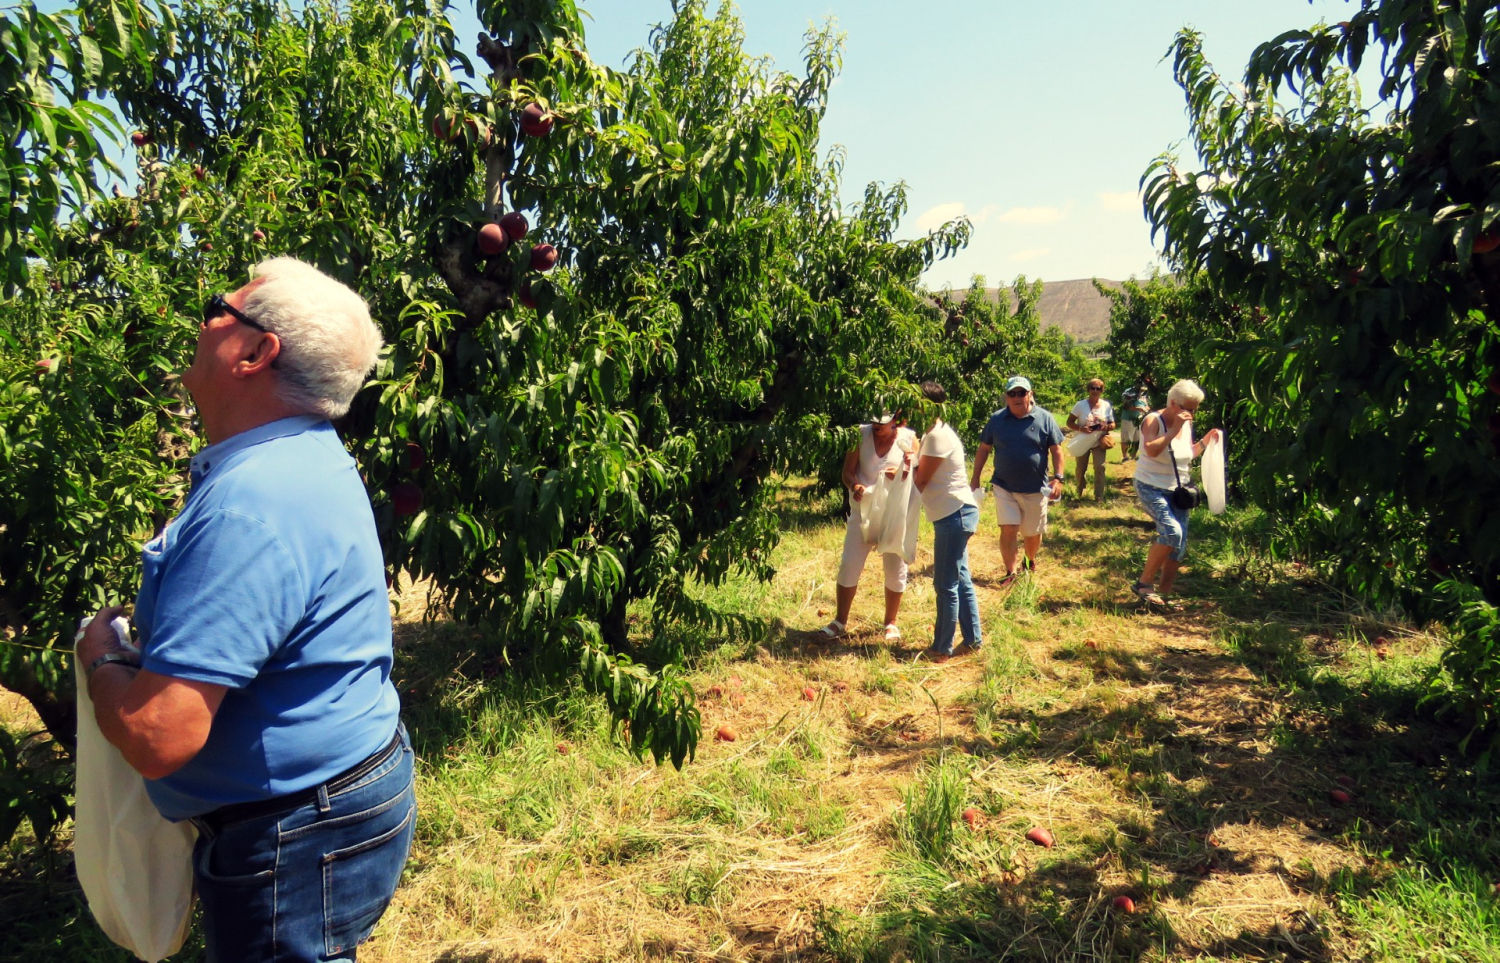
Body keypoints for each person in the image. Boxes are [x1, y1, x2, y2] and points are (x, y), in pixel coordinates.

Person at [75, 257, 415, 963]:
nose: (199, 325)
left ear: (258, 351)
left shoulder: (252, 501)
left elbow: (157, 735)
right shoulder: (303, 456)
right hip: (344, 791)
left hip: (297, 831)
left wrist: (101, 655)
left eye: (216, 310)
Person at [820, 413, 917, 642]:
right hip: (863, 509)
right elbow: (847, 472)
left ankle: (891, 623)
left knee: (895, 568)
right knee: (849, 564)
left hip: (894, 513)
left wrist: (904, 471)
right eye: (874, 422)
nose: (876, 426)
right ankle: (839, 621)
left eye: (882, 423)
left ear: (896, 420)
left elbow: (918, 474)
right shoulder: (860, 435)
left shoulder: (909, 438)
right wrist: (854, 485)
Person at [1131, 378, 1223, 610]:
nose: (1191, 413)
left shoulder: (1186, 423)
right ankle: (1143, 583)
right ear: (1172, 402)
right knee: (1171, 532)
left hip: (1178, 490)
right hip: (1150, 486)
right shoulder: (1153, 420)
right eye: (1187, 408)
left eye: (1195, 408)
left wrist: (1206, 441)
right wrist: (1173, 430)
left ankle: (1164, 595)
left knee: (1179, 544)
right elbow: (1151, 450)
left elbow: (1185, 454)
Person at [968, 375, 1065, 585]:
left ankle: (1029, 560)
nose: (1017, 397)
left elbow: (1057, 450)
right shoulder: (997, 420)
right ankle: (1010, 572)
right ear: (1006, 397)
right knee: (1008, 528)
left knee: (1032, 533)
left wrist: (1058, 478)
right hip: (1004, 486)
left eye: (1021, 392)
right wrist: (975, 477)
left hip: (1035, 488)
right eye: (1012, 393)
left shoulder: (1044, 418)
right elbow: (984, 448)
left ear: (1030, 394)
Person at [912, 381, 982, 661]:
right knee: (961, 579)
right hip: (955, 513)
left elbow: (920, 481)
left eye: (917, 403)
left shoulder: (936, 437)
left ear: (930, 406)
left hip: (953, 515)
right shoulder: (934, 434)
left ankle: (942, 648)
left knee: (945, 584)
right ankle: (973, 639)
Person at [1066, 378, 1116, 499]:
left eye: (1098, 388)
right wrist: (1081, 429)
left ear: (1101, 390)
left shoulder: (1106, 405)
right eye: (1092, 388)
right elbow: (1069, 422)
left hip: (1099, 441)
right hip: (1083, 441)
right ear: (1088, 389)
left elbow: (1113, 424)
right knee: (1080, 468)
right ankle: (1079, 491)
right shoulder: (1080, 405)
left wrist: (1106, 426)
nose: (1095, 390)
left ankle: (1099, 496)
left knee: (1100, 467)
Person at [1119, 381, 1151, 459]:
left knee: (1137, 439)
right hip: (1128, 419)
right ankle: (1125, 457)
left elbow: (1147, 404)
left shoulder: (1146, 393)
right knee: (1126, 439)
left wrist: (1147, 409)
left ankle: (1133, 456)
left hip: (1140, 420)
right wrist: (1138, 408)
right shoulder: (1129, 392)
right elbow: (1126, 406)